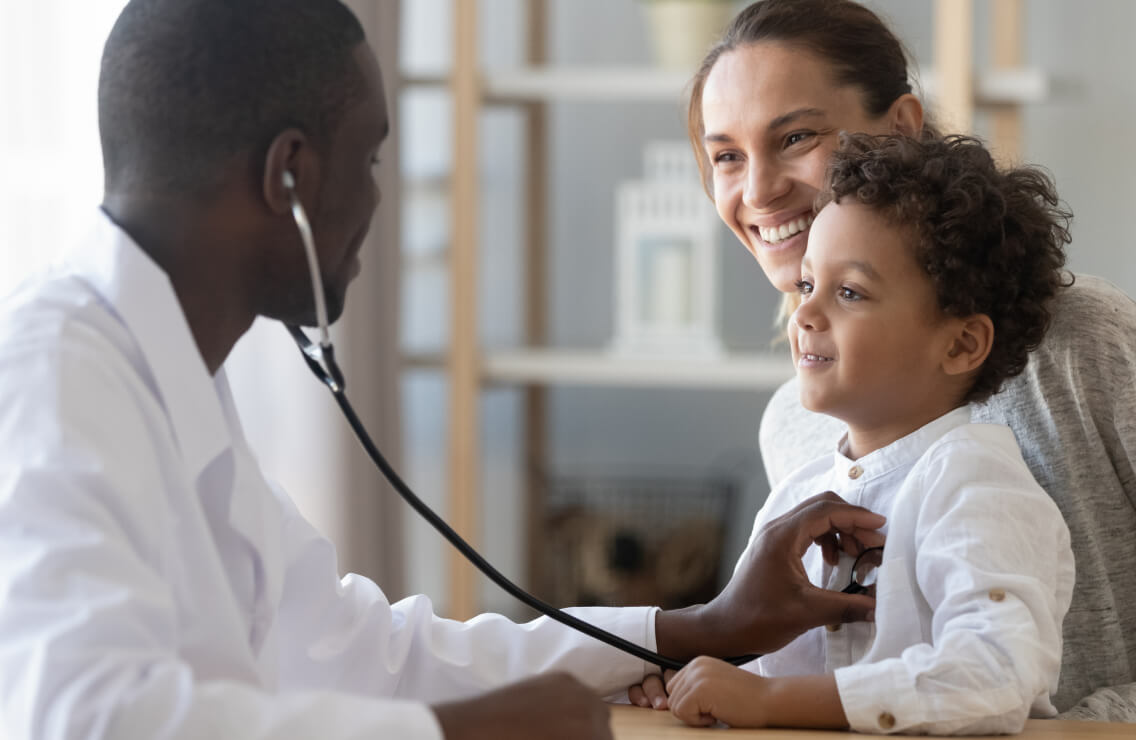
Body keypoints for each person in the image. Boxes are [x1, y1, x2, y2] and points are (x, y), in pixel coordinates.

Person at [0, 2, 889, 739]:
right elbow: (86, 717)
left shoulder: (173, 379)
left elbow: (367, 651)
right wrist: (461, 733)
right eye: (371, 158)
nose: (381, 198)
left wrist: (703, 627)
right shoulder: (51, 375)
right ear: (291, 178)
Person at [632, 0, 1136, 723]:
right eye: (726, 154)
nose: (756, 190)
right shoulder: (799, 424)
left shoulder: (1085, 344)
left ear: (901, 130)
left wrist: (1080, 732)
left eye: (795, 136)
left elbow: (983, 676)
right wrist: (703, 677)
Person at [666, 132, 1075, 733]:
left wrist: (766, 701)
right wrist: (695, 683)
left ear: (961, 344)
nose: (804, 314)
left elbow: (993, 674)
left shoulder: (975, 485)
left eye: (850, 292)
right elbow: (759, 673)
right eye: (808, 285)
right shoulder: (795, 499)